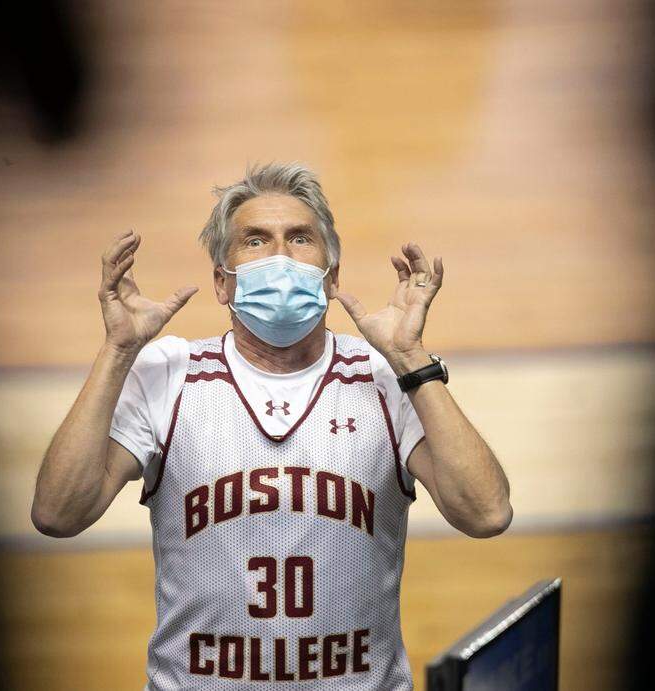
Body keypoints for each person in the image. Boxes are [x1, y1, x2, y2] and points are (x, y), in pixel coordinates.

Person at [31, 162, 513, 689]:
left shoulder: (384, 376)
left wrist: (410, 358)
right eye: (255, 240)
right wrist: (118, 351)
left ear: (331, 276)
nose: (280, 256)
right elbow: (58, 513)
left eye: (300, 238)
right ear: (222, 280)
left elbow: (486, 513)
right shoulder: (168, 374)